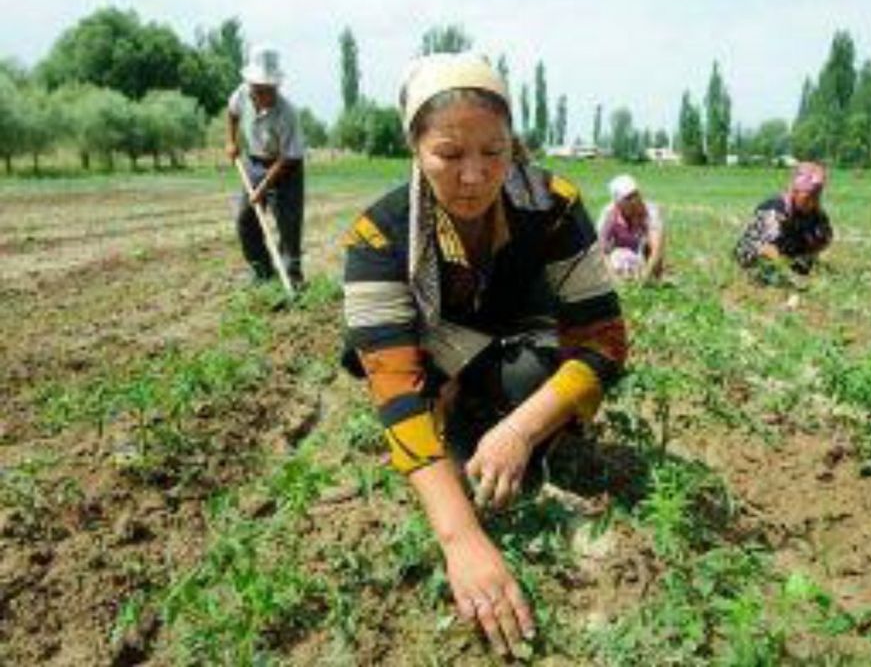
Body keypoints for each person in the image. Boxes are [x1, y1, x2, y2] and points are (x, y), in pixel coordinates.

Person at [341, 53, 627, 657]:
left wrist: (521, 432)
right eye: (449, 154)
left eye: (493, 152)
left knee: (529, 384)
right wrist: (461, 539)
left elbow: (604, 340)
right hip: (432, 344)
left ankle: (492, 419)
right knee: (425, 407)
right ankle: (459, 417)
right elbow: (396, 393)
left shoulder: (552, 204)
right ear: (415, 150)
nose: (474, 175)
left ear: (512, 144)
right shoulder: (378, 236)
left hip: (516, 334)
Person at [225, 44, 306, 287]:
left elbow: (288, 157)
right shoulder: (242, 94)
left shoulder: (287, 113)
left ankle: (292, 278)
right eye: (259, 89)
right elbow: (232, 113)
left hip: (287, 169)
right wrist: (231, 141)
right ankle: (262, 272)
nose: (264, 94)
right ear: (251, 86)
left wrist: (262, 188)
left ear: (276, 86)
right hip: (254, 162)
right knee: (245, 219)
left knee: (288, 226)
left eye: (270, 89)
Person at [734, 161, 833, 276]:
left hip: (787, 257)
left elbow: (824, 239)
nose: (812, 201)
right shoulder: (774, 210)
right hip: (757, 261)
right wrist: (789, 273)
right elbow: (766, 249)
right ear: (795, 191)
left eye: (816, 195)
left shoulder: (817, 214)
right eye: (808, 196)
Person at [596, 174, 666, 282]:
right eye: (628, 198)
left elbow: (657, 250)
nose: (634, 200)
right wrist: (614, 279)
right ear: (618, 202)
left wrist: (644, 279)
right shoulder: (608, 213)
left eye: (636, 194)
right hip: (616, 253)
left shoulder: (651, 211)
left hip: (642, 252)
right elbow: (601, 251)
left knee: (654, 270)